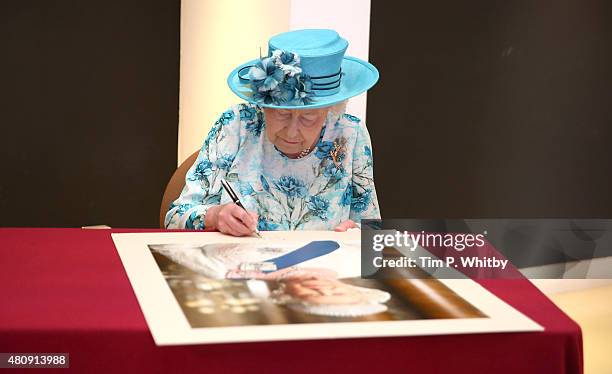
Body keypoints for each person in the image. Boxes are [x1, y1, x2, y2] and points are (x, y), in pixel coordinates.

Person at [165, 29, 381, 235]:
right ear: (264, 104)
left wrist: (355, 235)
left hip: (321, 271)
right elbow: (175, 218)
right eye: (282, 113)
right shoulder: (238, 124)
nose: (292, 131)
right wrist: (214, 216)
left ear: (331, 110)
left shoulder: (351, 133)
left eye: (308, 117)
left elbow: (373, 236)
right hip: (239, 269)